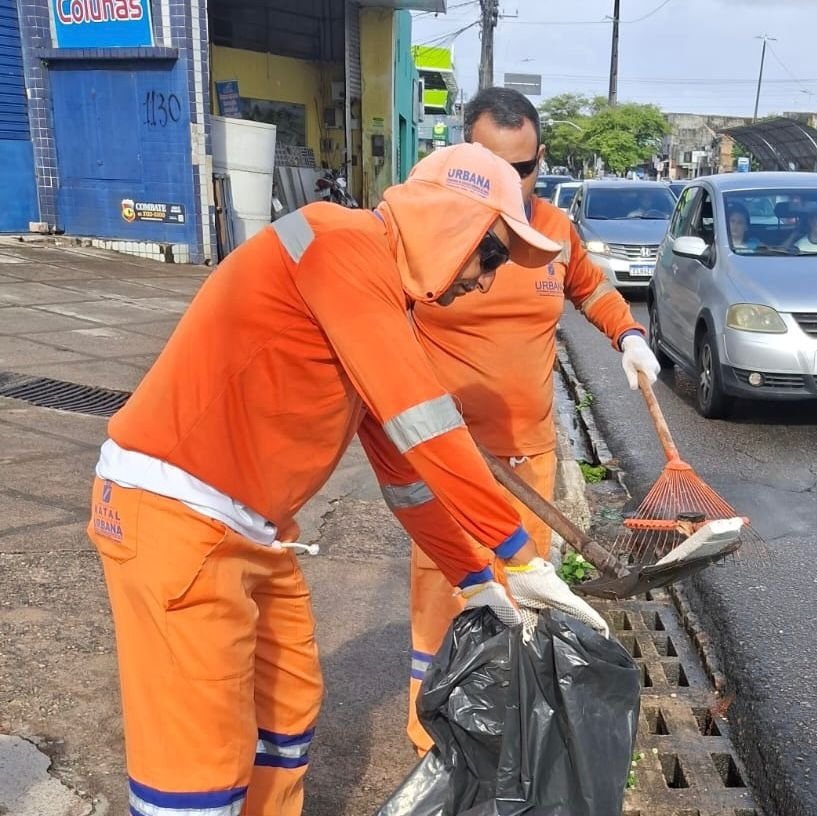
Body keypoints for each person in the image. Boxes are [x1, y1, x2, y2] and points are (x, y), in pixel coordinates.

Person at [86, 143, 608, 816]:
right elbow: (425, 425)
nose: (485, 281)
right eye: (490, 256)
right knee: (198, 760)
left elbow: (405, 473)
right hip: (176, 518)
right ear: (450, 222)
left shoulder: (372, 295)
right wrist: (519, 554)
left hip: (250, 530)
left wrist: (475, 578)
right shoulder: (339, 244)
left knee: (285, 709)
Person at [375, 87, 661, 755]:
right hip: (448, 458)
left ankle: (502, 726)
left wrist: (627, 335)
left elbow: (590, 287)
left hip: (529, 454)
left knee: (521, 594)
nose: (514, 182)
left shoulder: (553, 231)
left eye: (526, 168)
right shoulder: (428, 237)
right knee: (447, 591)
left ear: (540, 161)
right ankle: (432, 731)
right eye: (496, 167)